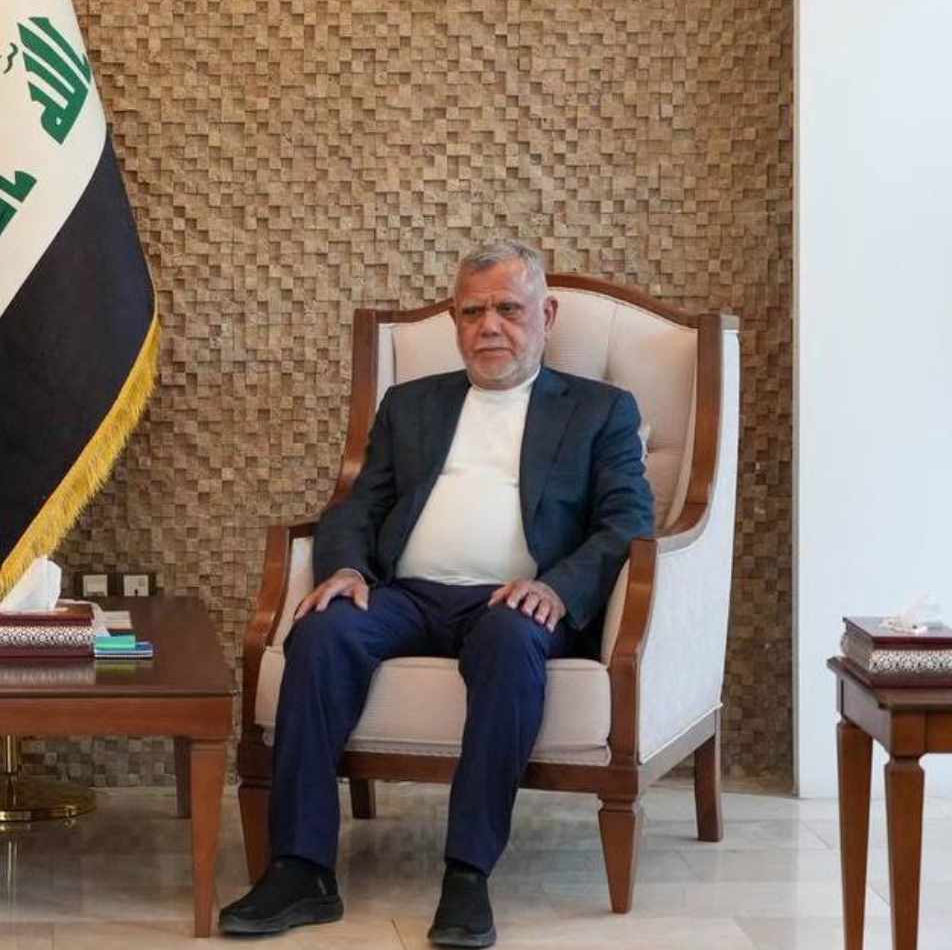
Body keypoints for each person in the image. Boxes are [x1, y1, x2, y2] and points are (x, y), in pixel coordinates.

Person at [218, 241, 653, 948]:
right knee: (322, 629)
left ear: (546, 314)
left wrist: (556, 587)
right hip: (406, 595)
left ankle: (467, 876)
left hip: (515, 604)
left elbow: (627, 523)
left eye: (508, 309)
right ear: (455, 320)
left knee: (510, 641)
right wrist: (346, 569)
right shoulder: (411, 405)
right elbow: (360, 505)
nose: (490, 326)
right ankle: (300, 870)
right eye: (472, 312)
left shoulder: (599, 410)